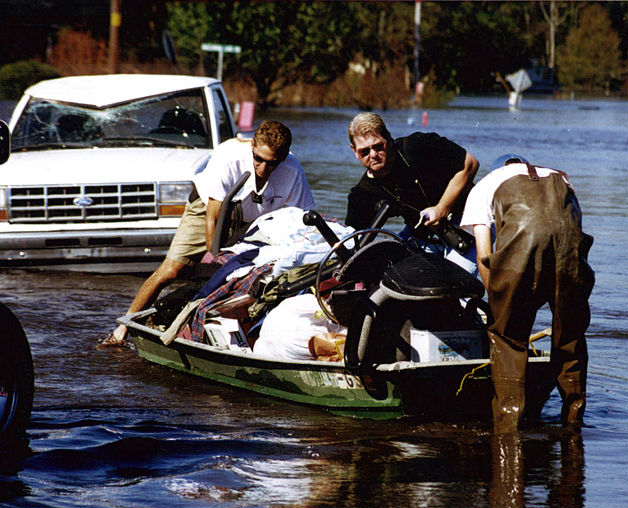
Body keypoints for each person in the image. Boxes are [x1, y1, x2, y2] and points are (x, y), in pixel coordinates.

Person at [100, 120, 315, 347]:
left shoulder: (293, 171)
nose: (263, 169)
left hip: (253, 220)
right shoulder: (230, 158)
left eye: (272, 164)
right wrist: (213, 259)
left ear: (283, 158)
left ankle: (212, 331)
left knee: (240, 279)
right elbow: (213, 216)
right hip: (207, 209)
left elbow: (300, 222)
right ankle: (122, 328)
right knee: (173, 270)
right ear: (252, 146)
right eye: (258, 160)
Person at [460, 154, 594, 434]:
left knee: (508, 338)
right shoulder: (560, 175)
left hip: (526, 244)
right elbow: (570, 229)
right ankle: (573, 425)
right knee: (569, 337)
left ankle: (508, 433)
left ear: (499, 170)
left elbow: (485, 257)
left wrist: (498, 306)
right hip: (570, 248)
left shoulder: (485, 185)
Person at [344, 112, 479, 273]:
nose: (373, 155)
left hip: (464, 225)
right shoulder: (362, 193)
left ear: (388, 137)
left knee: (458, 288)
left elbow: (470, 164)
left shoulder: (418, 146)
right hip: (419, 235)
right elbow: (352, 239)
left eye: (378, 146)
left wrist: (442, 208)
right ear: (354, 151)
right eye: (364, 151)